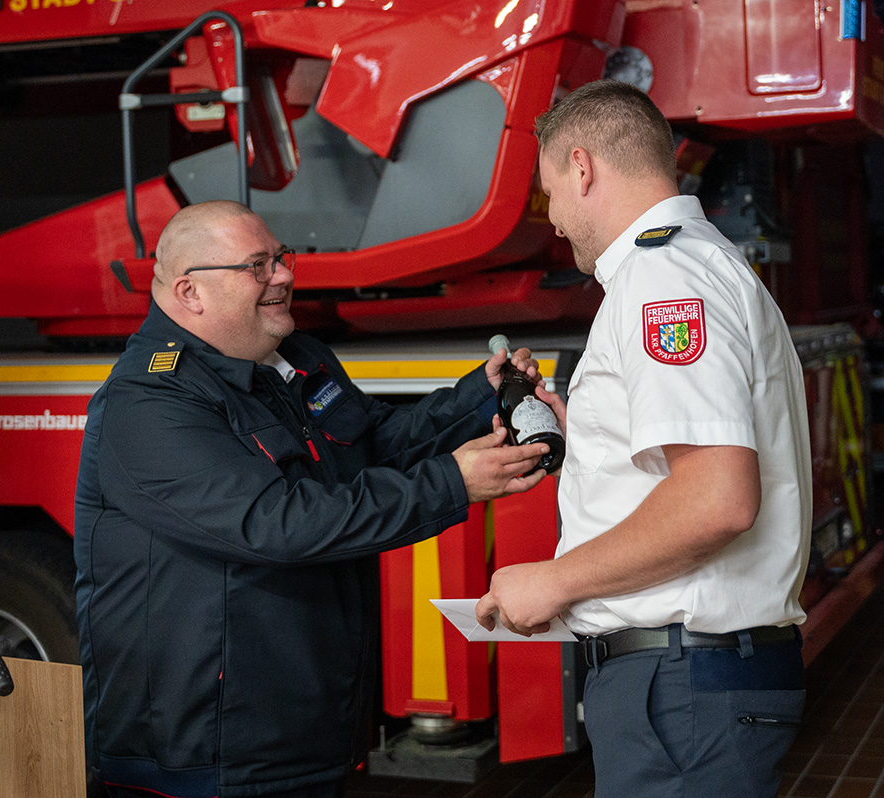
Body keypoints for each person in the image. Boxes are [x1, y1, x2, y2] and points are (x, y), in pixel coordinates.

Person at [74, 200, 548, 798]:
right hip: (209, 754)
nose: (284, 275)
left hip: (306, 729)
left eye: (281, 257)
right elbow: (275, 523)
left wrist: (482, 395)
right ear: (191, 292)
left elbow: (374, 442)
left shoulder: (297, 357)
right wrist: (452, 483)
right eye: (257, 266)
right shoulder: (149, 402)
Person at [475, 79, 812, 797]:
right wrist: (585, 433)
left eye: (549, 193)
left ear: (583, 165)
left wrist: (553, 581)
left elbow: (718, 497)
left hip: (682, 685)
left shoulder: (661, 277)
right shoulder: (693, 263)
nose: (555, 221)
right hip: (692, 682)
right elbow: (685, 465)